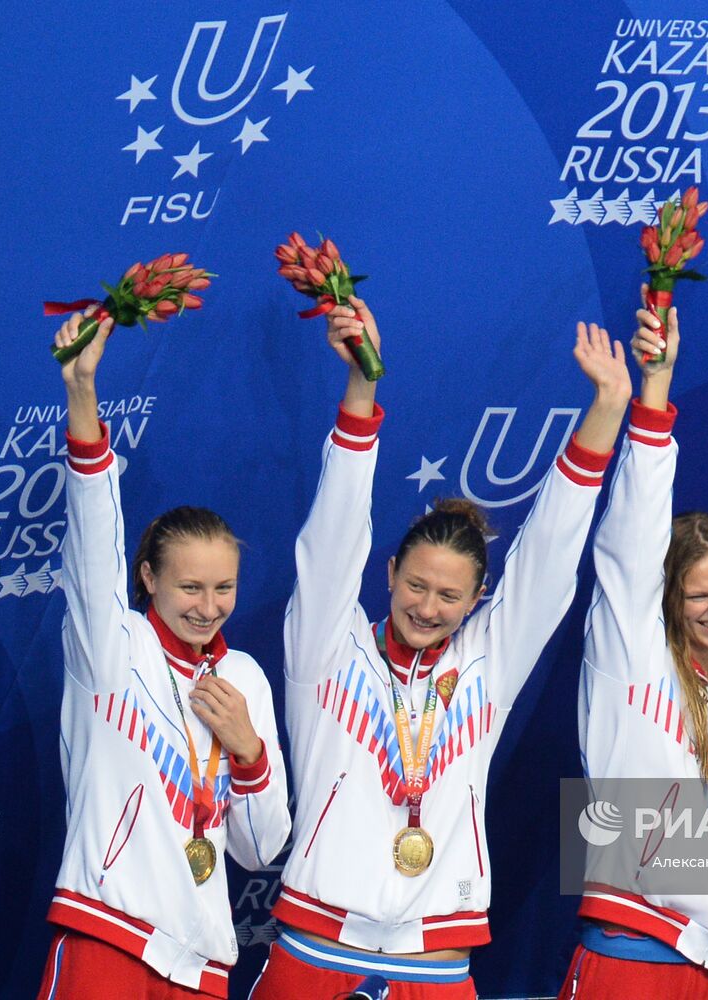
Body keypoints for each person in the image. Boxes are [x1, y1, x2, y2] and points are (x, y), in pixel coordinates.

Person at [252, 299, 629, 998]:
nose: (427, 607)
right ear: (389, 575)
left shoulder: (488, 661)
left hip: (435, 960)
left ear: (478, 598)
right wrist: (362, 389)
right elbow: (331, 538)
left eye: (448, 596)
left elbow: (550, 552)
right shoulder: (325, 651)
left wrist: (606, 410)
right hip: (316, 949)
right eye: (415, 585)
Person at [37, 312, 291, 999]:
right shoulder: (110, 646)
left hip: (202, 962)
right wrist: (83, 393)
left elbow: (260, 849)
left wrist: (248, 755)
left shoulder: (243, 678)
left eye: (223, 588)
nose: (207, 606)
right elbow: (91, 535)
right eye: (189, 586)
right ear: (148, 577)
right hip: (107, 933)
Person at [560, 297, 708, 999]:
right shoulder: (630, 657)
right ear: (664, 599)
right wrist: (654, 392)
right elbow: (630, 541)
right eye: (697, 596)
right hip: (634, 950)